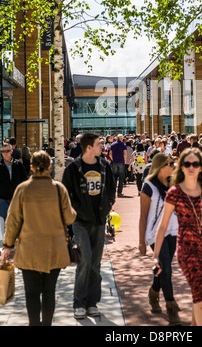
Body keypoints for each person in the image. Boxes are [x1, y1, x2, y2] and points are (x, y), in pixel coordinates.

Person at [1, 151, 76, 326]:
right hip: (55, 249)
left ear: (31, 167)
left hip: (29, 249)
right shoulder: (59, 189)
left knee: (32, 292)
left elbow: (12, 221)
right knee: (49, 291)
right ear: (49, 167)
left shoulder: (23, 189)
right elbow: (70, 218)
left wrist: (7, 247)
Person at [153, 148, 202, 326]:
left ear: (201, 167)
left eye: (195, 164)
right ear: (181, 166)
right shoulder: (174, 192)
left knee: (200, 294)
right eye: (187, 163)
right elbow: (162, 226)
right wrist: (155, 256)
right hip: (187, 248)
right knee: (200, 293)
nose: (191, 167)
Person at [62, 132, 116, 319]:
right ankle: (79, 303)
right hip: (81, 222)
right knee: (84, 261)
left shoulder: (103, 165)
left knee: (95, 263)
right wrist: (77, 211)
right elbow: (66, 193)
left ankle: (92, 302)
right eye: (98, 144)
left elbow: (111, 188)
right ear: (88, 147)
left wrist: (108, 205)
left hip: (99, 221)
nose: (102, 146)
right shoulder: (74, 168)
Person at [139, 153, 180, 325]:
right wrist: (141, 241)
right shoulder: (148, 186)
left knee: (164, 267)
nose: (173, 166)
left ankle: (154, 291)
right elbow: (143, 216)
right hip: (155, 233)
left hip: (172, 231)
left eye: (173, 163)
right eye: (170, 163)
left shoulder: (174, 184)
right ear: (160, 166)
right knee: (167, 269)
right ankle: (171, 307)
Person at [0, 143, 28, 224]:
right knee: (5, 222)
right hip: (2, 199)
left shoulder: (18, 164)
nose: (5, 153)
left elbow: (24, 179)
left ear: (11, 151)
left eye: (7, 151)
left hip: (16, 198)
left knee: (17, 221)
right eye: (3, 151)